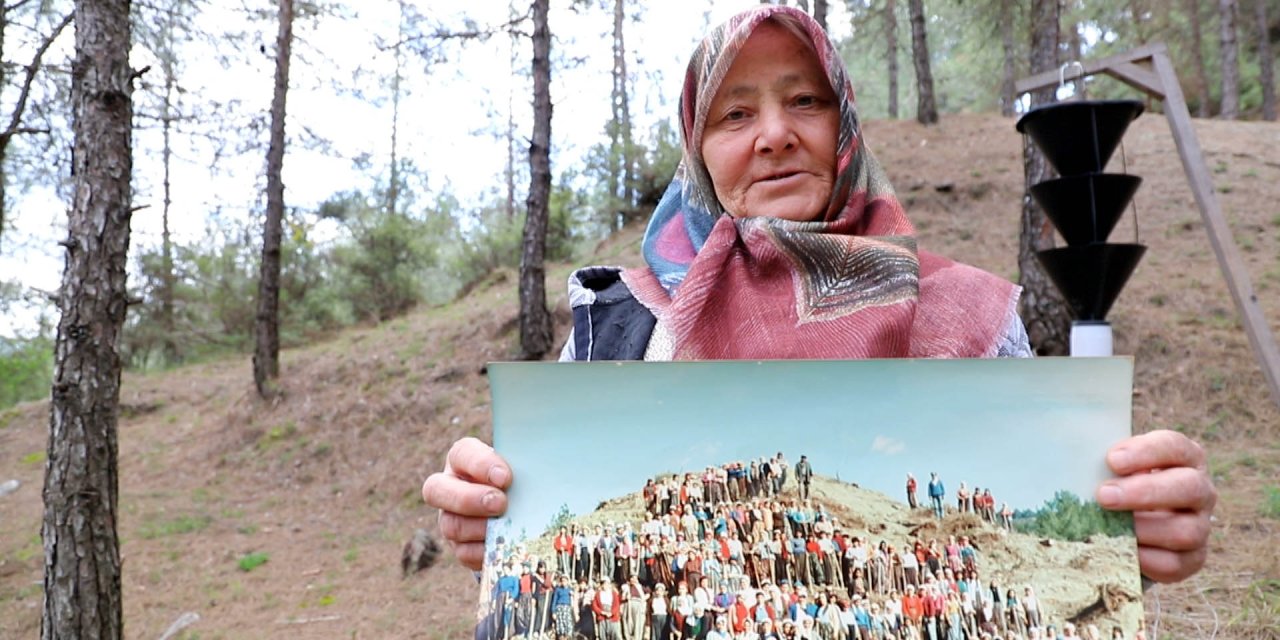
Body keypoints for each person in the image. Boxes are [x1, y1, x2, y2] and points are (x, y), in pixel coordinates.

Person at [422, 3, 1215, 591]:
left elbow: (1043, 548)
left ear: (845, 125)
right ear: (697, 152)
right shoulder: (617, 322)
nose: (775, 134)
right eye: (735, 113)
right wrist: (490, 513)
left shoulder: (971, 314)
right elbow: (552, 527)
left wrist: (1132, 524)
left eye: (804, 100)